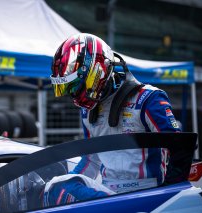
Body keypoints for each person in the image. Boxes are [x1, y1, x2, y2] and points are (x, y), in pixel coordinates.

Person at [42, 33, 181, 207]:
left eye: (76, 86)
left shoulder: (148, 99)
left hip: (147, 192)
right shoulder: (88, 112)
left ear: (96, 71)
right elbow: (91, 159)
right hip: (109, 193)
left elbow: (179, 148)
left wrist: (170, 194)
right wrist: (71, 183)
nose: (74, 94)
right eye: (69, 89)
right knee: (56, 186)